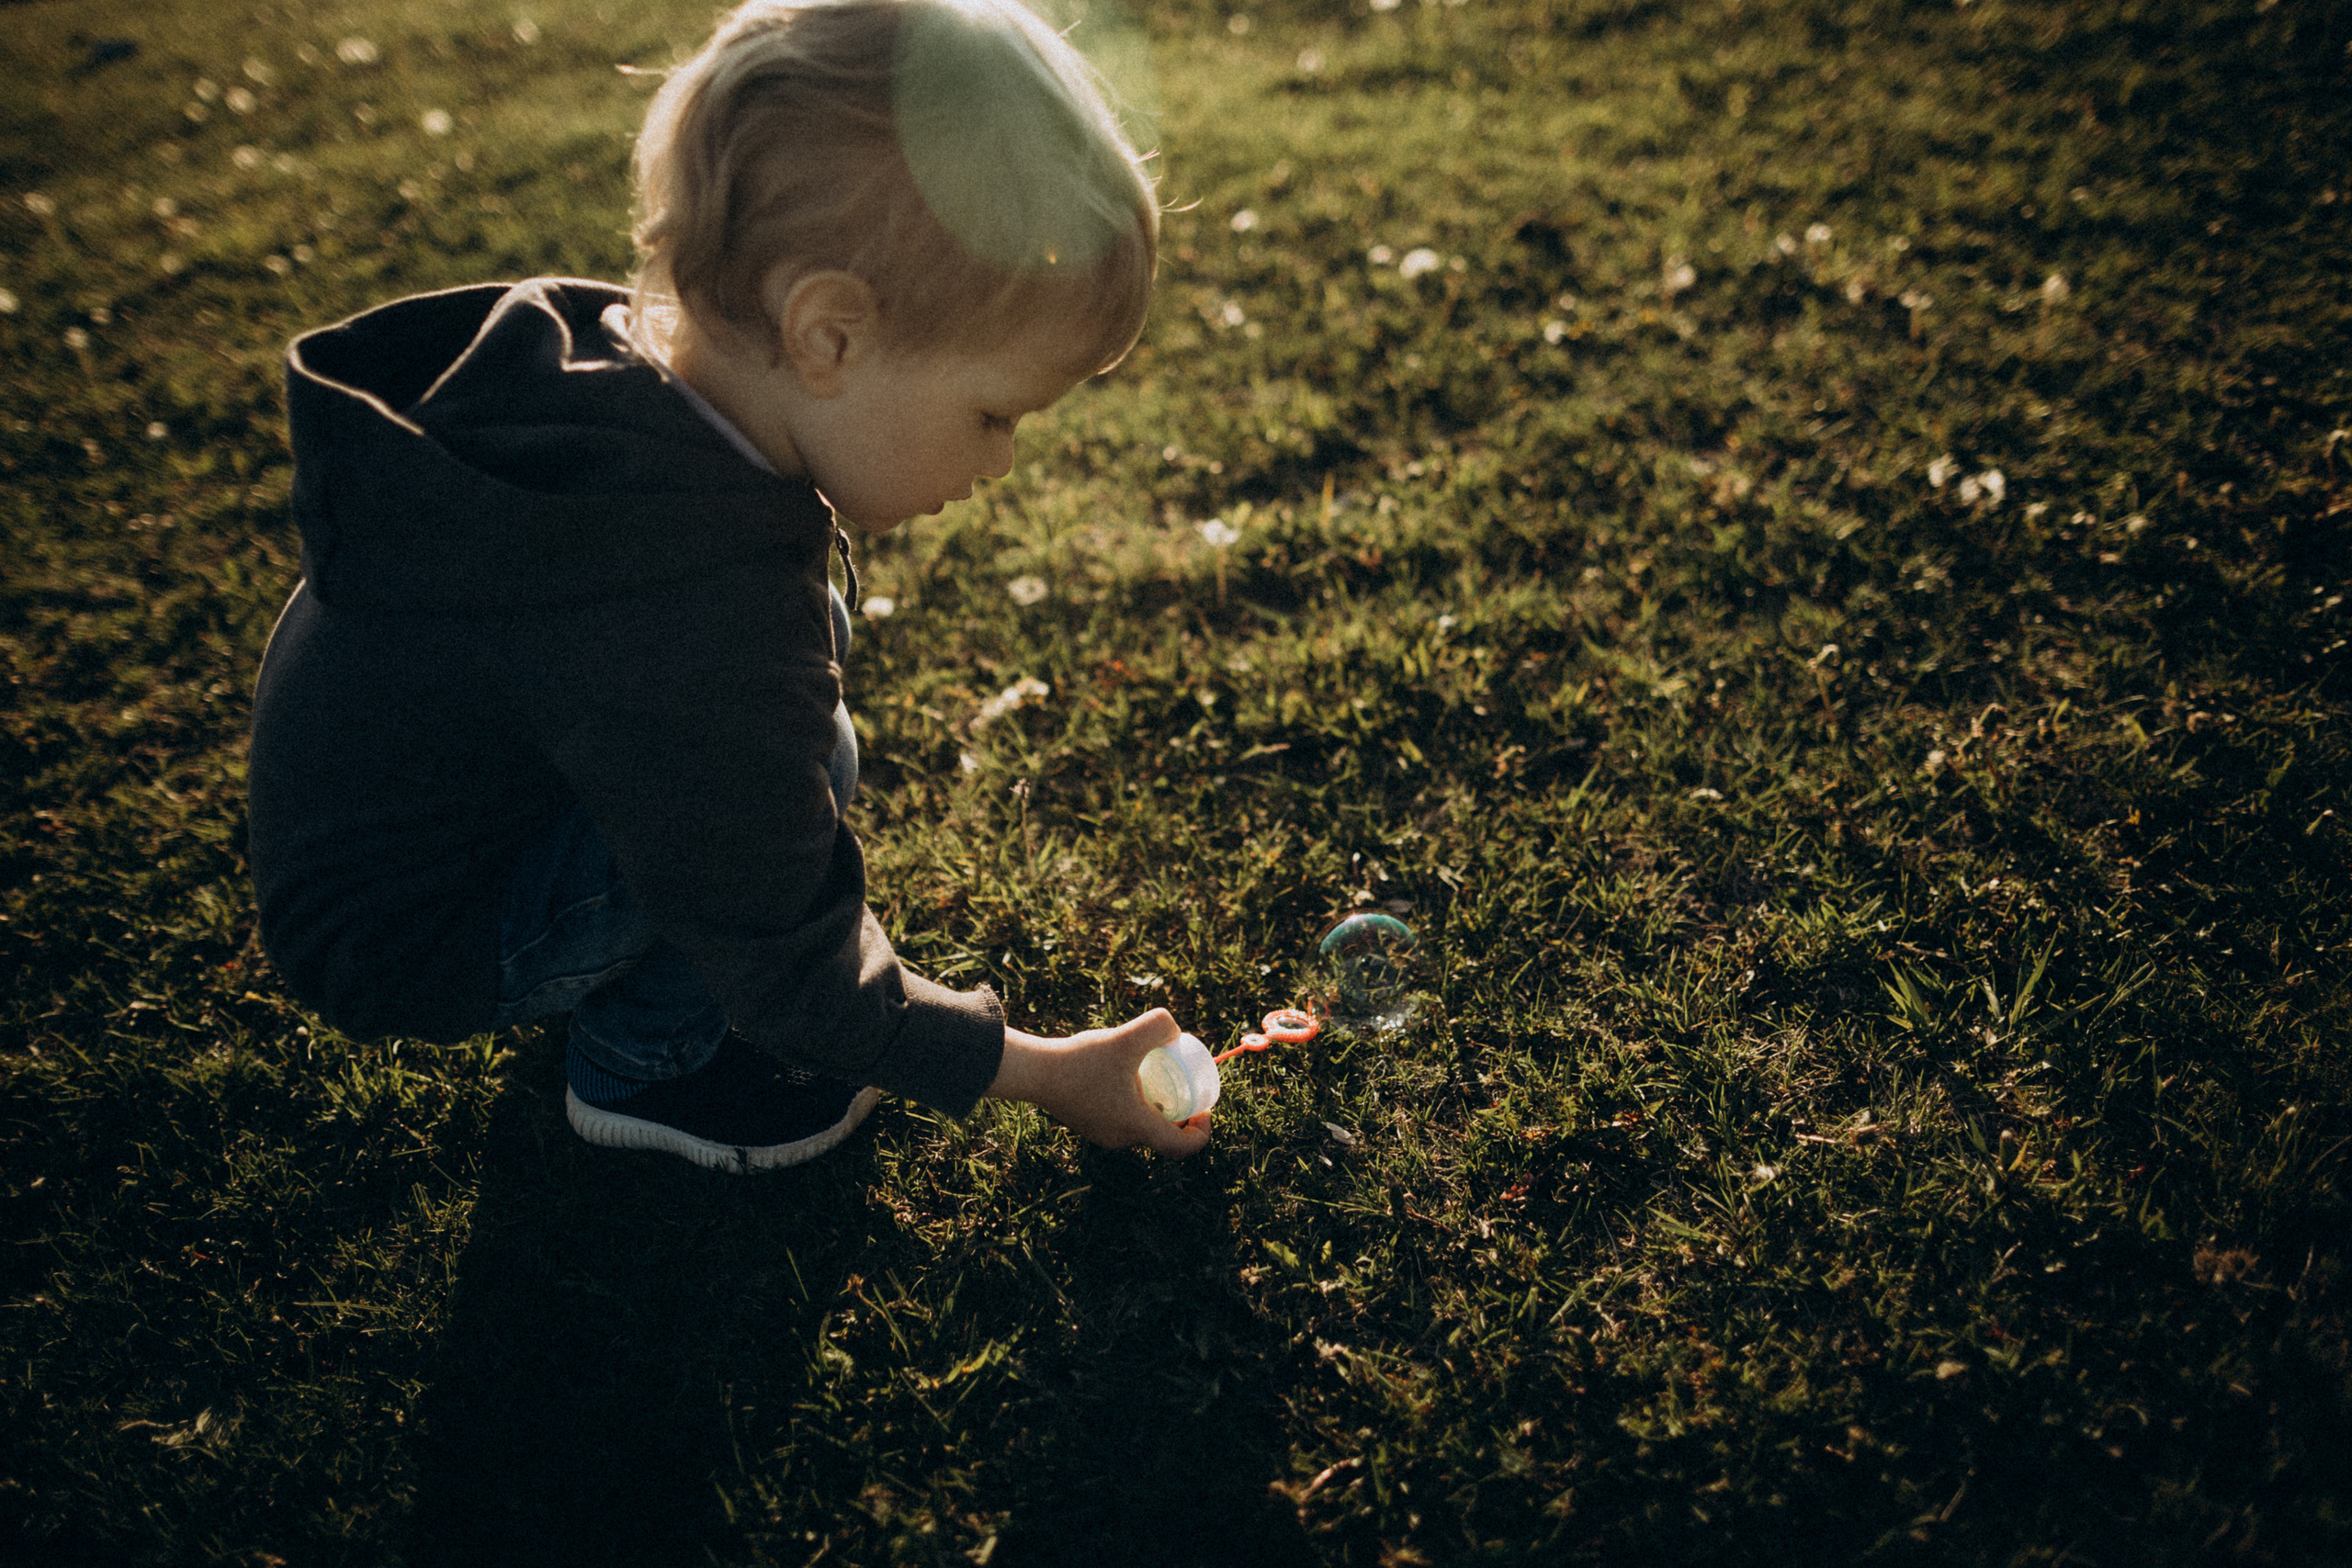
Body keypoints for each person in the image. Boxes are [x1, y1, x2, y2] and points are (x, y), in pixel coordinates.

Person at [246, 0, 1208, 1172]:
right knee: (770, 784)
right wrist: (1052, 1074)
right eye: (993, 413)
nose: (1000, 460)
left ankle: (620, 964)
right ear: (828, 334)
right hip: (413, 933)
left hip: (395, 848)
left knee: (801, 739)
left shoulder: (611, 382)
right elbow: (788, 956)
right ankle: (657, 1068)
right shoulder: (692, 620)